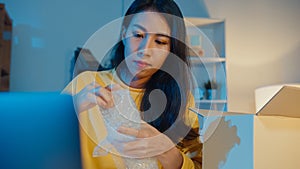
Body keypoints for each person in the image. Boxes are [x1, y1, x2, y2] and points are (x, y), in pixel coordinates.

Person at [63, 0, 202, 168]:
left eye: (160, 42)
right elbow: (40, 145)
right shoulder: (86, 84)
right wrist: (69, 113)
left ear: (171, 50)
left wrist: (171, 155)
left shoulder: (181, 101)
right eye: (138, 35)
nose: (145, 50)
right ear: (124, 34)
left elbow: (199, 164)